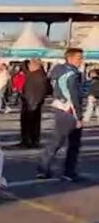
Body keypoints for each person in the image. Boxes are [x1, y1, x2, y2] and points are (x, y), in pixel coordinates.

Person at [37, 48, 85, 182]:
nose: (81, 61)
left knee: (57, 141)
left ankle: (44, 169)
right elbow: (73, 96)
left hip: (60, 109)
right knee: (70, 143)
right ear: (69, 58)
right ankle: (67, 172)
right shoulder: (71, 75)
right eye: (78, 58)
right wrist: (78, 117)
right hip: (69, 111)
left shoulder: (58, 72)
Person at [19, 59, 49, 149]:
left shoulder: (39, 76)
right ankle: (27, 141)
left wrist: (35, 103)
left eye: (30, 65)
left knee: (32, 124)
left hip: (33, 103)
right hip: (29, 102)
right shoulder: (32, 74)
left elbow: (43, 91)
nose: (28, 67)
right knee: (27, 123)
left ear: (35, 66)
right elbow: (23, 66)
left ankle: (31, 141)